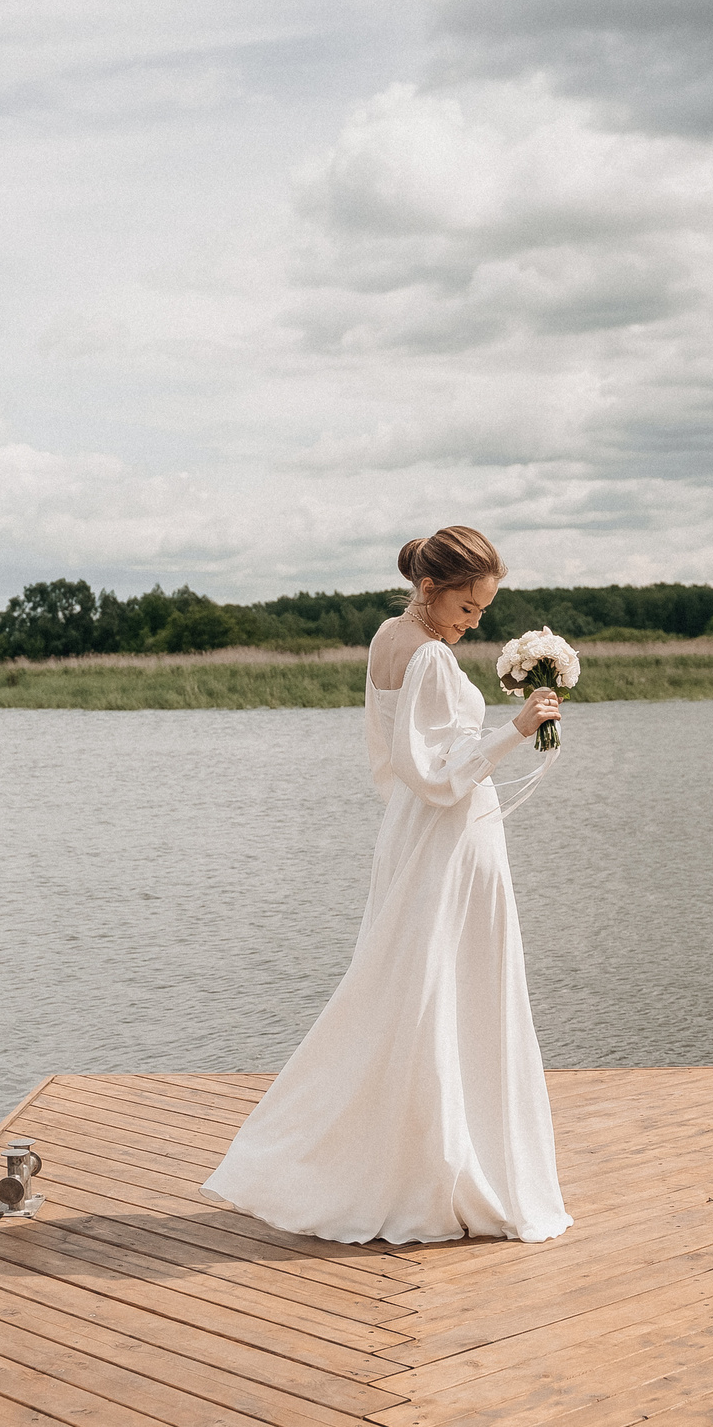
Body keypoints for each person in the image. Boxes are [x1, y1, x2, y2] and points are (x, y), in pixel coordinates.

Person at [204, 526, 573, 1244]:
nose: (475, 623)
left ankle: (399, 1155)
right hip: (452, 836)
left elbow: (392, 759)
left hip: (409, 832)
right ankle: (443, 1169)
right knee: (454, 989)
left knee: (408, 988)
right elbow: (440, 772)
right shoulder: (431, 657)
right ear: (432, 588)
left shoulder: (383, 639)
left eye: (484, 610)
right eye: (467, 607)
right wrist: (518, 727)